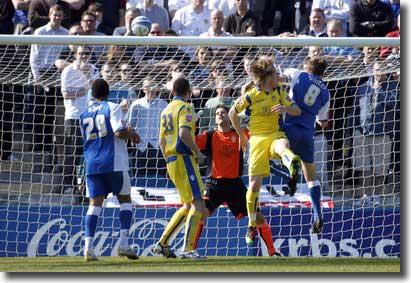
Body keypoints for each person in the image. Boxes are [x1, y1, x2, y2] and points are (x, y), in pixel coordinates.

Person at [228, 56, 302, 245]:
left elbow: (297, 111)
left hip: (275, 133)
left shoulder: (280, 92)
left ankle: (293, 164)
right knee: (253, 186)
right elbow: (232, 113)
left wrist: (285, 108)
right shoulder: (252, 94)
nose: (278, 75)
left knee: (282, 146)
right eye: (276, 73)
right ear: (269, 76)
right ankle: (252, 224)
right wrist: (243, 138)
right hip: (257, 139)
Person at [194, 105, 281, 256]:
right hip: (214, 184)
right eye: (217, 113)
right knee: (200, 212)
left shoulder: (240, 135)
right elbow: (193, 143)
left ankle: (272, 252)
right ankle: (191, 249)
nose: (220, 114)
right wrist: (192, 125)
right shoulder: (209, 135)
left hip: (235, 184)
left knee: (258, 216)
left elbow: (256, 136)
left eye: (223, 112)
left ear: (230, 116)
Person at [80, 78, 141, 261]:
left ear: (93, 93)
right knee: (125, 199)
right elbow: (118, 132)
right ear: (108, 93)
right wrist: (132, 134)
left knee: (94, 204)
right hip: (114, 162)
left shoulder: (83, 114)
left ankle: (88, 248)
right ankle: (123, 244)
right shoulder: (113, 107)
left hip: (92, 164)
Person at [152, 77, 207, 259]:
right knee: (198, 204)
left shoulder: (165, 110)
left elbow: (161, 141)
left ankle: (163, 243)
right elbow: (184, 133)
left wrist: (168, 159)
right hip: (184, 159)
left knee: (187, 205)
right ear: (188, 91)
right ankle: (188, 249)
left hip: (171, 160)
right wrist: (198, 153)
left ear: (173, 91)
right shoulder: (186, 107)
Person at [281, 57, 330, 233]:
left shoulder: (298, 74)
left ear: (307, 67)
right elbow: (323, 122)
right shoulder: (326, 92)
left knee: (274, 151)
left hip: (289, 127)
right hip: (308, 133)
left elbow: (278, 79)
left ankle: (290, 178)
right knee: (311, 177)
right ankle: (318, 215)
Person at [61, 45, 99, 194]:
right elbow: (66, 94)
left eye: (86, 54)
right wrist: (83, 90)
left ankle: (85, 186)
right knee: (72, 151)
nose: (83, 56)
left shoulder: (94, 69)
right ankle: (68, 185)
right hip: (74, 116)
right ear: (75, 54)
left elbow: (97, 91)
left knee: (90, 153)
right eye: (81, 53)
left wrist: (88, 76)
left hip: (91, 116)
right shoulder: (68, 71)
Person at [127, 77, 167, 178]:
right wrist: (133, 137)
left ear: (158, 88)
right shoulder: (136, 104)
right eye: (147, 86)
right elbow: (130, 124)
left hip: (157, 147)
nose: (150, 89)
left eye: (152, 85)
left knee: (158, 177)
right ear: (143, 88)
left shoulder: (164, 105)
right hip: (140, 146)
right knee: (138, 178)